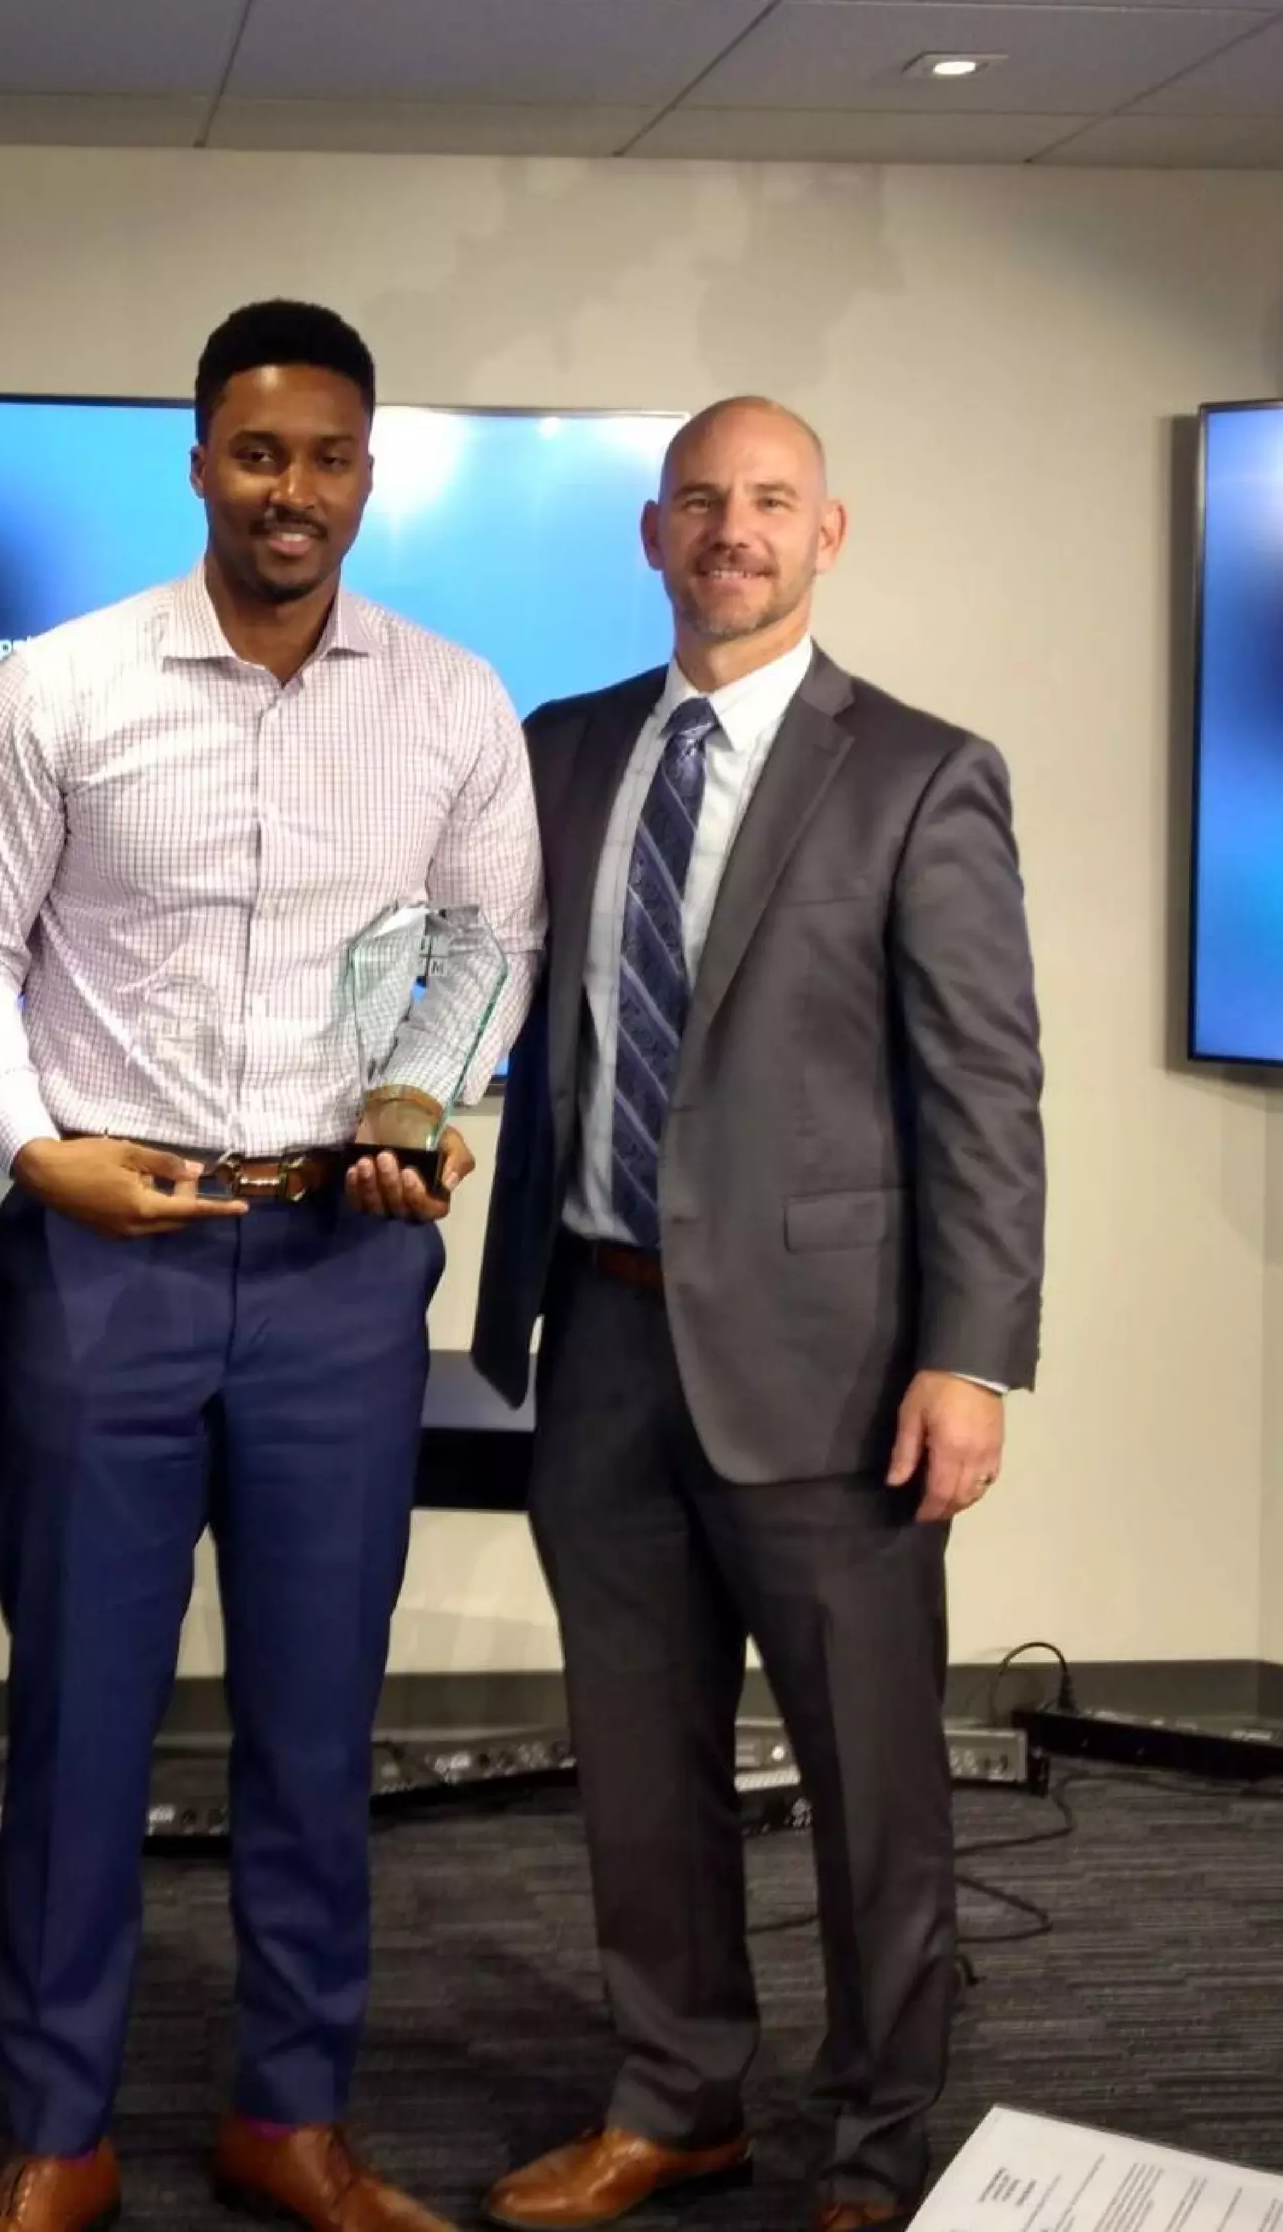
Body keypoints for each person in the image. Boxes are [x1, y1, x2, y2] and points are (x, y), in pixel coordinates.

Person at [0, 299, 545, 2232]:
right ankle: (59, 2127)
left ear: (369, 471)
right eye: (259, 453)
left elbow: (488, 944)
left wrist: (420, 1100)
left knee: (313, 1720)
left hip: (341, 1271)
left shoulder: (453, 700)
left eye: (329, 456)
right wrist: (36, 1148)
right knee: (78, 1714)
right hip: (102, 1255)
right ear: (199, 460)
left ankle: (291, 2114)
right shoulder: (65, 685)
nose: (295, 490)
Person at [472, 396, 1044, 2232]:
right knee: (641, 1773)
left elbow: (984, 1089)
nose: (736, 527)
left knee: (874, 1786)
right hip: (600, 1340)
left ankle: (875, 2144)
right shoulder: (563, 749)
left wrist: (970, 1354)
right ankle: (678, 2098)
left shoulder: (922, 773)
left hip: (838, 1366)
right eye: (703, 500)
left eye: (772, 500)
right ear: (654, 535)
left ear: (828, 532)